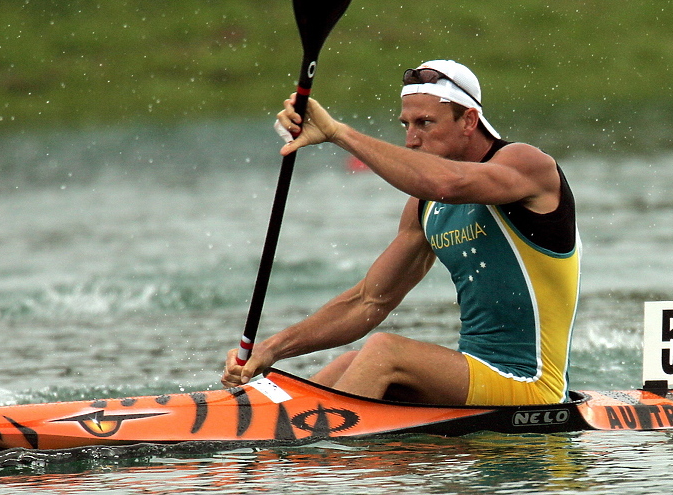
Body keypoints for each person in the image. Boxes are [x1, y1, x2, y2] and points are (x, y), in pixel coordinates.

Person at [222, 60, 581, 406]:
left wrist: (338, 134)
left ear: (469, 120)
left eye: (424, 123)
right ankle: (253, 416)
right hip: (478, 377)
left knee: (384, 352)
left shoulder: (528, 165)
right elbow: (368, 301)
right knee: (351, 363)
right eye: (406, 125)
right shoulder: (424, 206)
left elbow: (448, 183)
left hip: (532, 385)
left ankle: (322, 457)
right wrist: (271, 349)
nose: (411, 139)